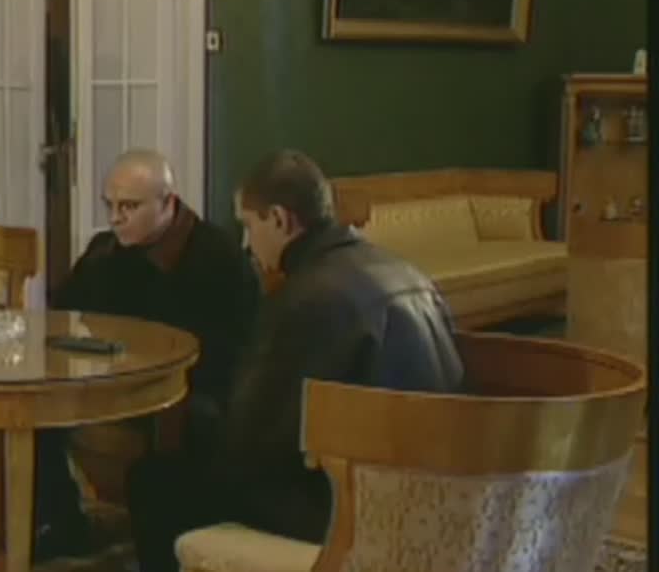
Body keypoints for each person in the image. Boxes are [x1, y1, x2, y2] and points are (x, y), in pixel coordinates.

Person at [126, 149, 465, 572]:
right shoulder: (408, 273)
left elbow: (250, 441)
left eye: (248, 225)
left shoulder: (307, 299)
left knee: (155, 480)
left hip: (345, 508)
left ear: (279, 220)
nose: (246, 243)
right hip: (429, 495)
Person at [34, 148, 261, 561]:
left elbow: (236, 350)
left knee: (195, 428)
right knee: (34, 407)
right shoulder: (105, 251)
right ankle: (63, 525)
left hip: (196, 390)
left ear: (167, 203)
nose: (115, 218)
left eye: (129, 207)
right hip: (114, 382)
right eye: (109, 206)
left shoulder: (217, 257)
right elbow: (61, 313)